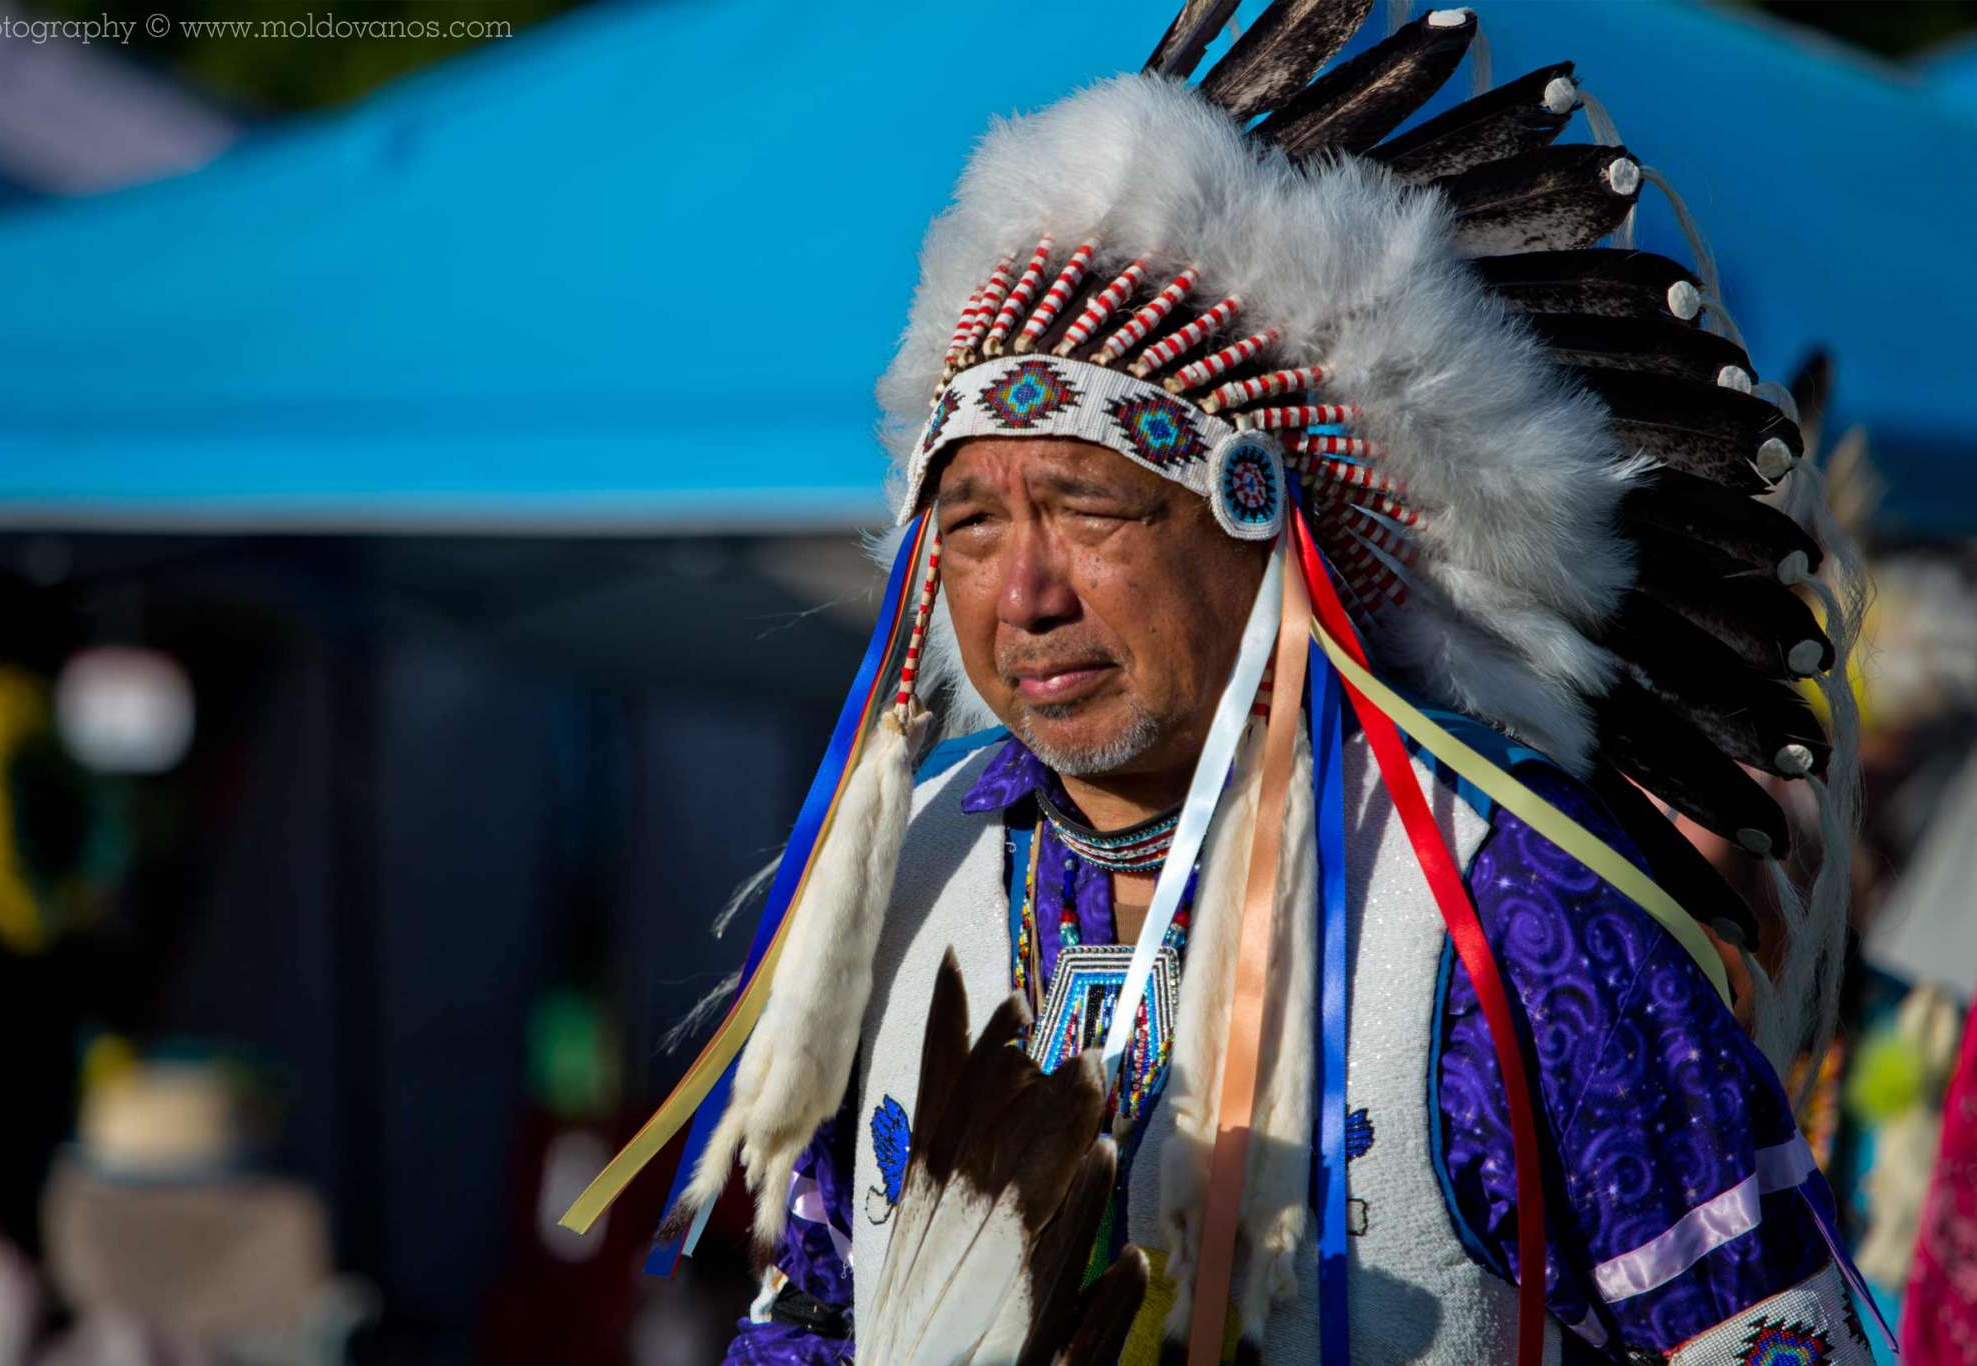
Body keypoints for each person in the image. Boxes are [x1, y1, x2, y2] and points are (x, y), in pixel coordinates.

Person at [564, 3, 1883, 1361]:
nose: (1025, 593)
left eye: (1090, 510)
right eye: (970, 527)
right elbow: (819, 1309)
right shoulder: (917, 878)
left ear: (1265, 527)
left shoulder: (1505, 911)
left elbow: (1765, 1338)